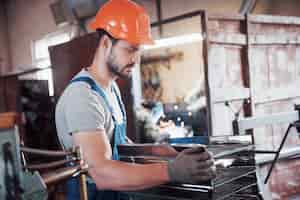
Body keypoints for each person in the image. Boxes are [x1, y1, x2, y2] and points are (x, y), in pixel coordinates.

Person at [55, 0, 216, 199]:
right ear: (106, 43)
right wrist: (170, 171)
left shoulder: (110, 88)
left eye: (138, 50)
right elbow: (101, 173)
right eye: (130, 49)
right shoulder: (83, 96)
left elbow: (117, 144)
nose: (136, 59)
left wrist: (162, 151)